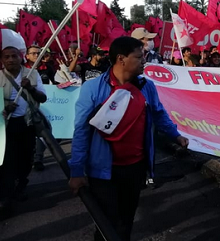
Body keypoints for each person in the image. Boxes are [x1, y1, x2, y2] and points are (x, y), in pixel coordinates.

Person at [68, 36, 189, 240]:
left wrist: (175, 135)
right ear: (121, 59)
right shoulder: (92, 89)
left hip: (135, 168)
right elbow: (81, 131)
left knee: (126, 221)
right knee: (107, 224)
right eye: (139, 57)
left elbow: (159, 114)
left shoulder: (147, 87)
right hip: (103, 172)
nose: (144, 61)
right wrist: (77, 170)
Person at [0, 46, 47, 215]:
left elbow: (43, 97)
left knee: (26, 159)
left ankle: (20, 187)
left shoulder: (32, 74)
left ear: (21, 58)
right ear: (2, 60)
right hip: (5, 125)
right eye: (7, 57)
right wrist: (4, 107)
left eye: (14, 56)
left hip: (27, 124)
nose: (11, 59)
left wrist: (31, 88)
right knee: (6, 161)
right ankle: (4, 196)